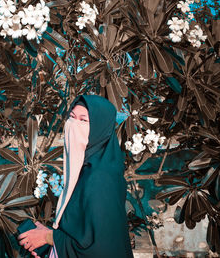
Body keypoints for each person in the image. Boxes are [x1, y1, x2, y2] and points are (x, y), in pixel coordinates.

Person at [17, 95, 134, 258]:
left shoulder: (99, 178)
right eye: (71, 117)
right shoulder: (91, 167)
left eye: (83, 120)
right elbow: (84, 232)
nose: (74, 125)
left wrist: (47, 237)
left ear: (99, 128)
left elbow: (100, 248)